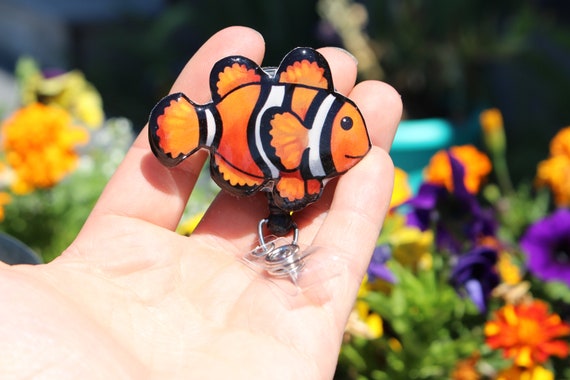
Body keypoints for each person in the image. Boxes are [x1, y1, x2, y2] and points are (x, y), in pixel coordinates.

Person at [0, 26, 402, 379]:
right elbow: (282, 136)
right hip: (244, 155)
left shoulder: (323, 137)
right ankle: (201, 127)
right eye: (347, 124)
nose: (355, 136)